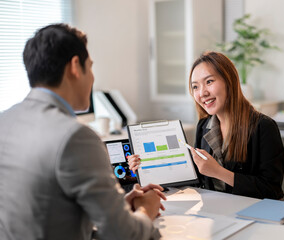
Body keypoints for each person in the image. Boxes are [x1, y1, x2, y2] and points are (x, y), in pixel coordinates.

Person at [0, 24, 165, 240]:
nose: (93, 78)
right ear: (75, 66)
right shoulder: (76, 136)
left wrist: (115, 210)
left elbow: (40, 213)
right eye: (91, 66)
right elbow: (125, 235)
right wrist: (146, 208)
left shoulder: (5, 121)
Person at [129, 51, 284, 200]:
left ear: (229, 81)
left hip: (252, 215)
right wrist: (147, 168)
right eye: (195, 86)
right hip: (214, 211)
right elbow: (196, 179)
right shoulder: (204, 125)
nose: (202, 93)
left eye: (209, 82)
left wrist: (218, 172)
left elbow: (271, 190)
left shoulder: (263, 127)